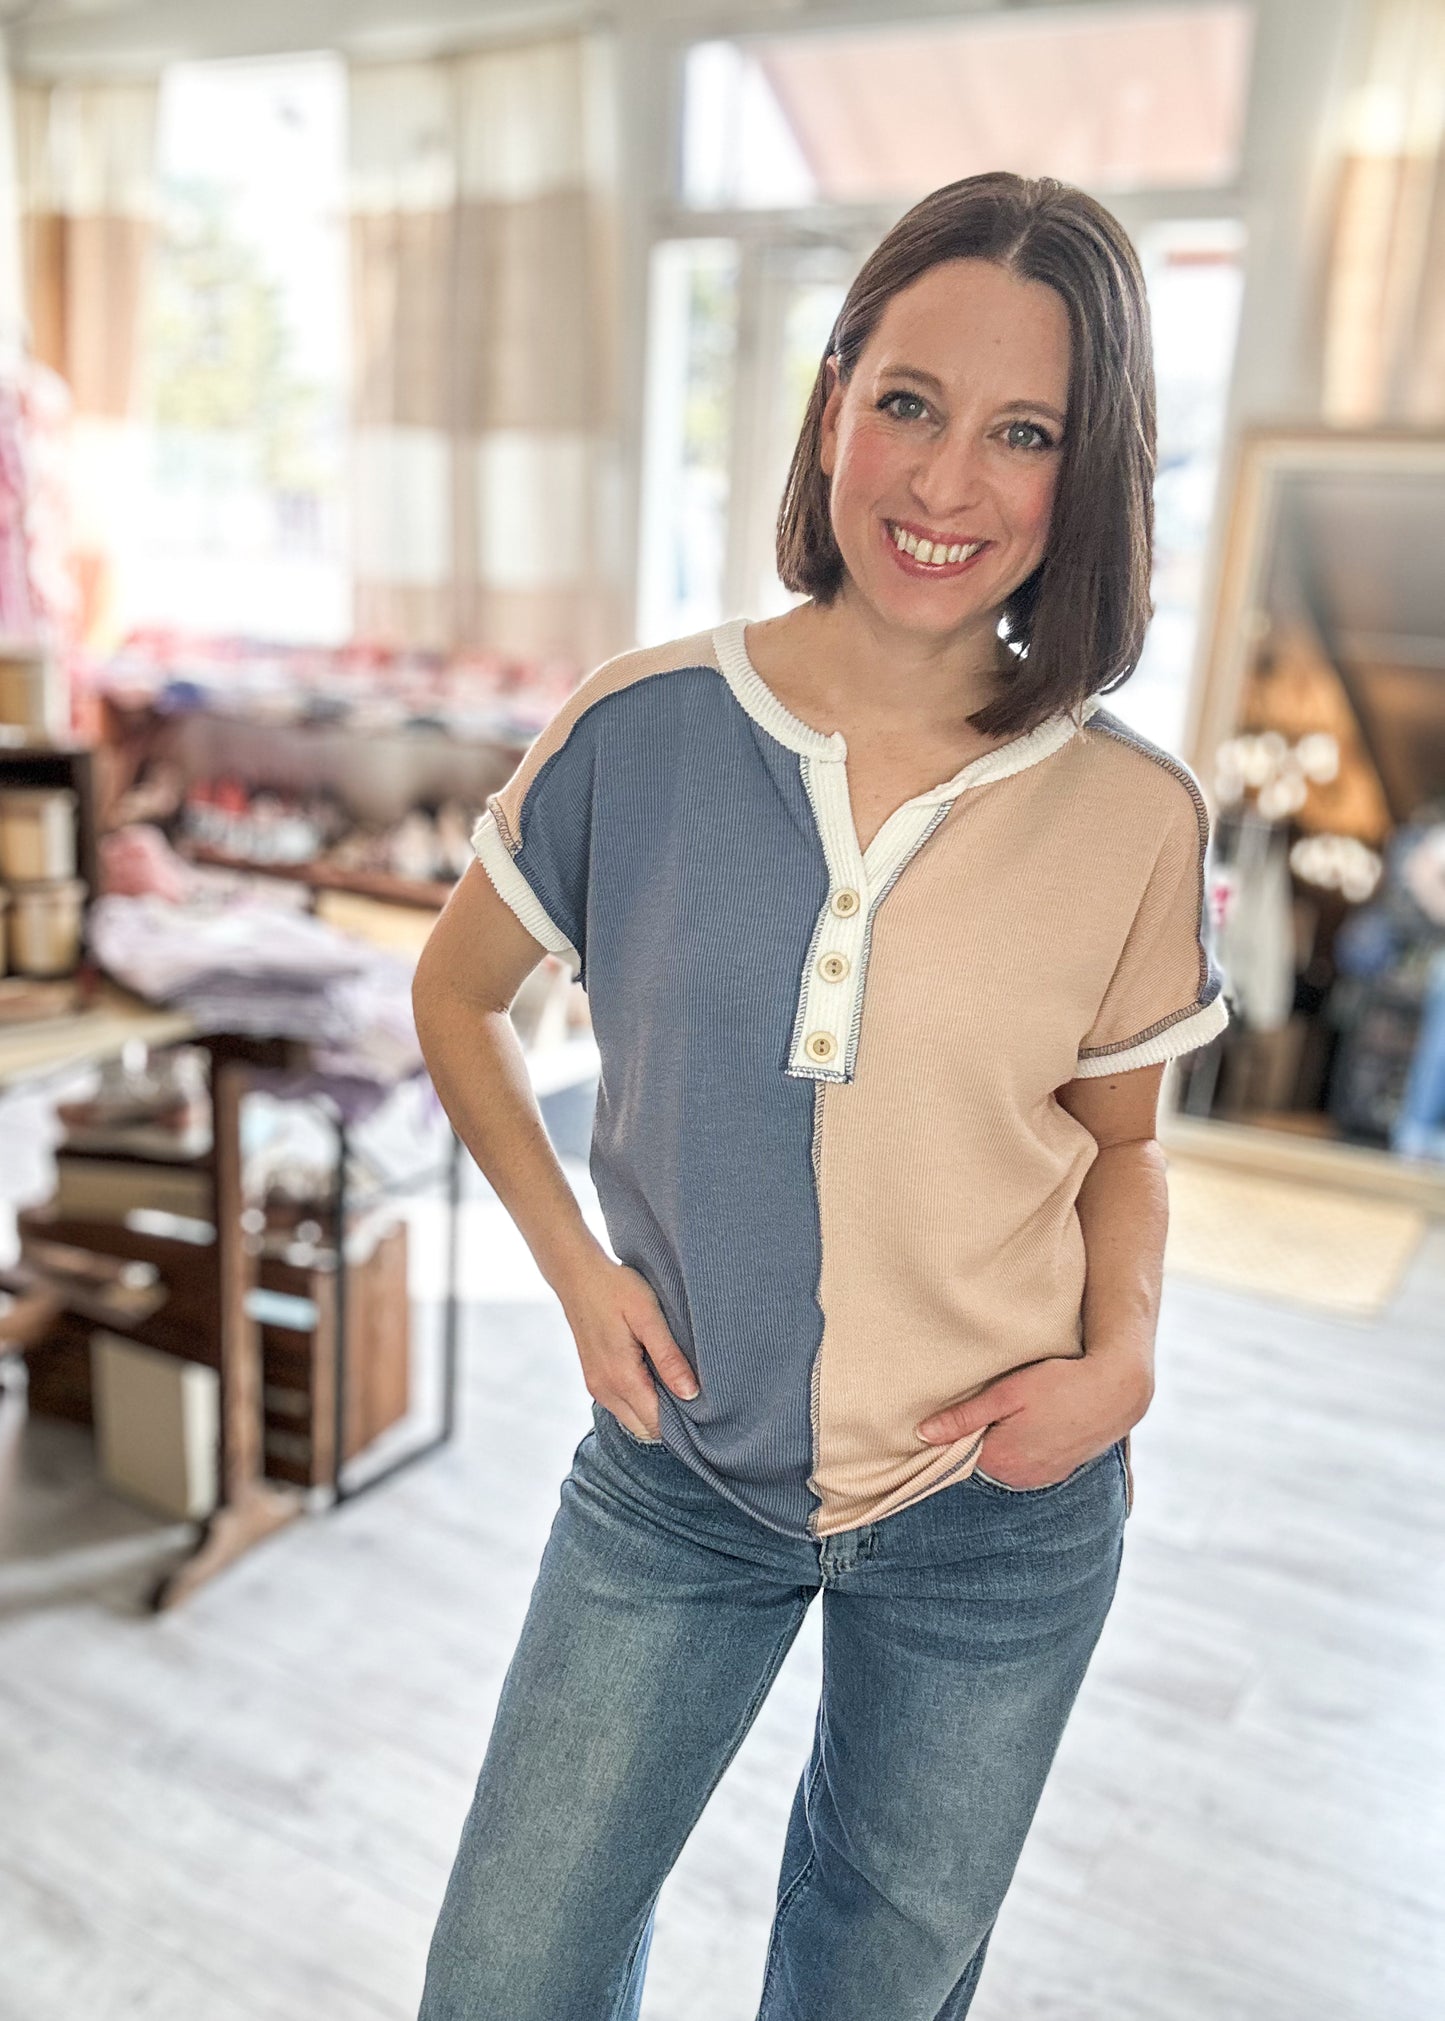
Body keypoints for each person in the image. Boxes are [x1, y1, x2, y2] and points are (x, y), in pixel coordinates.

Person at [411, 170, 1229, 2021]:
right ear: (834, 394)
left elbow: (1120, 1158)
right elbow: (457, 994)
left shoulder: (1135, 813)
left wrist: (1123, 1363)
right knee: (504, 1978)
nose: (944, 487)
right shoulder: (642, 727)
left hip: (996, 1506)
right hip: (680, 1472)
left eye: (1022, 434)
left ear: (1084, 474)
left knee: (874, 1982)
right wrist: (572, 1270)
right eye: (910, 403)